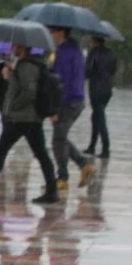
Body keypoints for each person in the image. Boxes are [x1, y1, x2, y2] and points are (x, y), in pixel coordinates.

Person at [0, 43, 60, 205]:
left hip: (22, 118)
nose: (13, 48)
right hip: (27, 118)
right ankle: (52, 190)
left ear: (23, 48)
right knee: (38, 154)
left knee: (4, 151)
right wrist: (10, 76)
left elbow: (29, 92)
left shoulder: (26, 66)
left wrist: (12, 106)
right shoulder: (24, 66)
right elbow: (21, 86)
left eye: (16, 46)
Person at [48, 26, 97, 189]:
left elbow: (60, 82)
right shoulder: (74, 49)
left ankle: (63, 178)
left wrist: (54, 109)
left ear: (61, 32)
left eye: (52, 31)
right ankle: (84, 165)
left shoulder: (63, 52)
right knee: (60, 137)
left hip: (67, 100)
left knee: (58, 139)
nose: (50, 34)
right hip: (78, 98)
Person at [83, 35, 117, 157]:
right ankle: (92, 146)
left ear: (94, 41)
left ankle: (106, 148)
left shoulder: (93, 54)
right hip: (107, 89)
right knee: (96, 116)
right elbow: (113, 70)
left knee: (100, 118)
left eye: (91, 41)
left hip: (96, 89)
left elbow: (87, 71)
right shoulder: (112, 53)